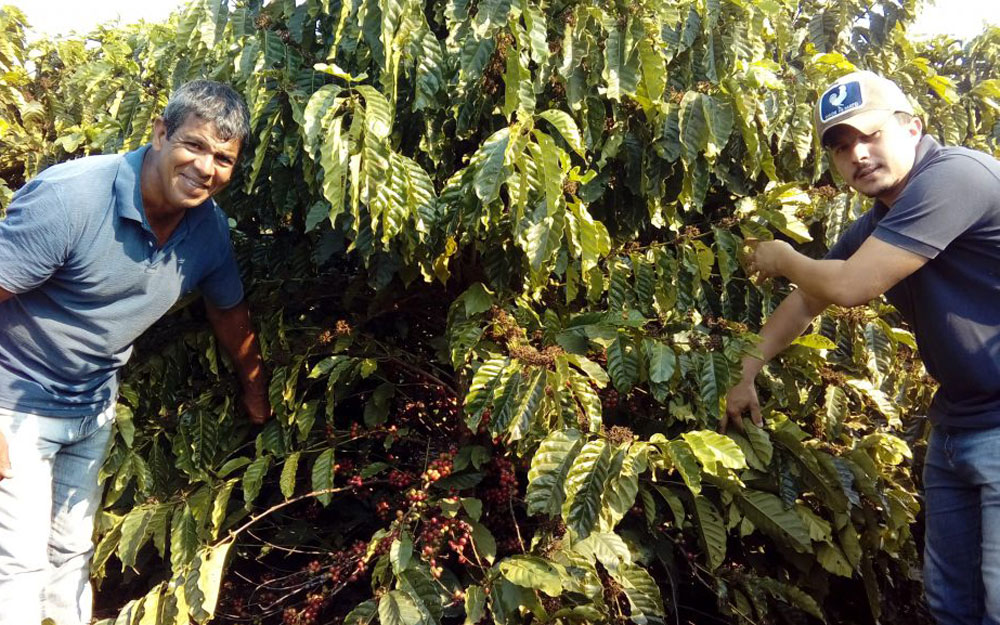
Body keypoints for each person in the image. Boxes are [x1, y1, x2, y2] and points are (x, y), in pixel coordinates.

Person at [723, 69, 1000, 625]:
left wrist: (781, 257)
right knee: (953, 607)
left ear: (913, 127)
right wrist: (746, 370)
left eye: (869, 134)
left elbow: (848, 286)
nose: (858, 154)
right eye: (841, 146)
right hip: (956, 429)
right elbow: (808, 300)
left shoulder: (958, 177)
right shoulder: (880, 221)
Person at [0, 80, 271, 625]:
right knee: (18, 568)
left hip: (91, 407)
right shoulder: (71, 198)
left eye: (223, 158)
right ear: (159, 132)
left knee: (70, 555)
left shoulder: (207, 229)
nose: (205, 167)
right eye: (193, 145)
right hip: (16, 403)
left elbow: (228, 311)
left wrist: (256, 392)